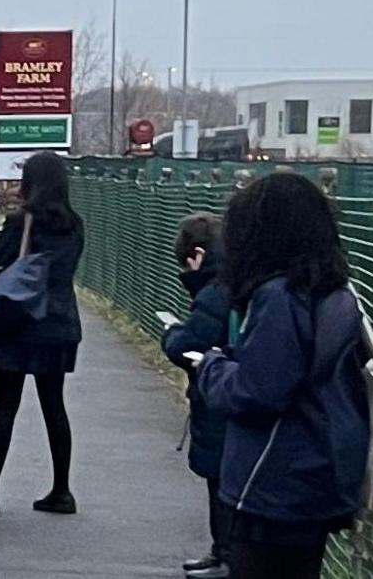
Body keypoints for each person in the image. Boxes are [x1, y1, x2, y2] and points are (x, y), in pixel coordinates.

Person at [198, 173, 370, 579]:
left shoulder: (278, 298)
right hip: (317, 475)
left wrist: (212, 369)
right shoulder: (336, 294)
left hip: (272, 480)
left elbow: (258, 394)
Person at [0, 151, 84, 518]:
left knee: (6, 404)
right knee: (54, 405)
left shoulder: (21, 221)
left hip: (20, 324)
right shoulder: (75, 225)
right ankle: (62, 489)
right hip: (59, 324)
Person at [160, 213, 235, 579]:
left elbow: (191, 341)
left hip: (217, 397)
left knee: (219, 477)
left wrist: (171, 336)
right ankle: (222, 552)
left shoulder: (213, 292)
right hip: (226, 394)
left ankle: (225, 554)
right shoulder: (234, 282)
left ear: (198, 255)